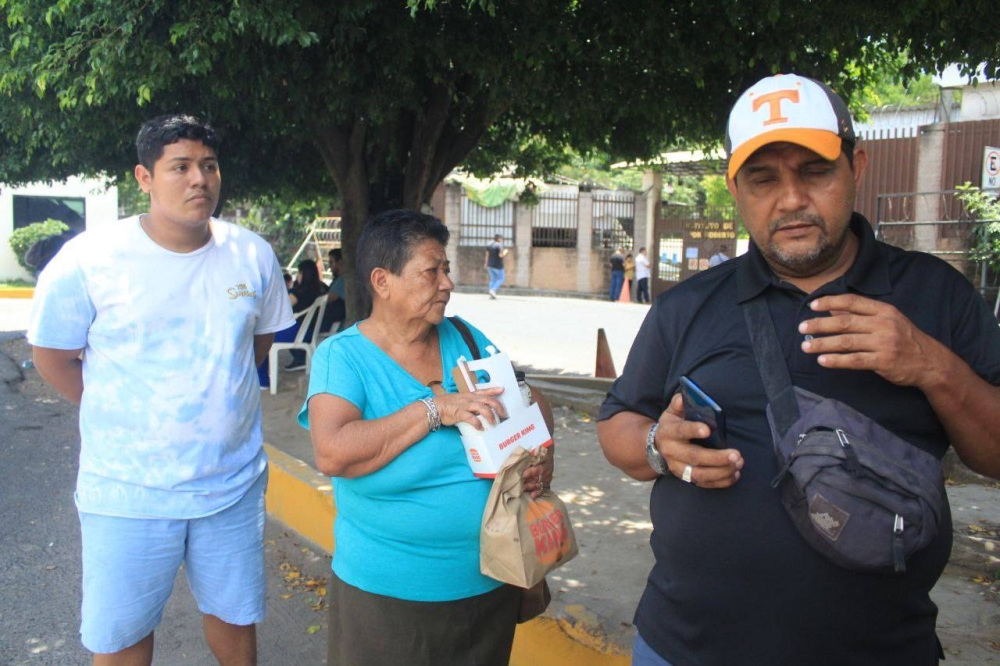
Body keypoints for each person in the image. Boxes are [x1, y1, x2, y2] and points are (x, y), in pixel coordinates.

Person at [597, 73, 1000, 665]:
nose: (790, 200)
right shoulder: (687, 306)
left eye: (814, 171)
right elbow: (618, 422)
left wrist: (930, 365)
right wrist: (657, 444)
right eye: (764, 179)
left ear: (856, 166)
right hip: (684, 648)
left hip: (881, 650)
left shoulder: (937, 296)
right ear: (736, 189)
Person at [27, 114, 294, 664]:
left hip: (232, 486)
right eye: (180, 167)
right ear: (143, 177)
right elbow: (52, 356)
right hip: (127, 491)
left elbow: (259, 341)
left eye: (209, 165)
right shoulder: (90, 259)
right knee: (123, 637)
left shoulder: (251, 254)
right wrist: (114, 407)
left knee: (235, 620)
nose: (200, 179)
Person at [298, 209, 556, 665]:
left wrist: (540, 456)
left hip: (490, 581)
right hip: (389, 596)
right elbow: (332, 452)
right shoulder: (344, 357)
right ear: (383, 281)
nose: (447, 283)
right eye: (430, 271)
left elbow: (531, 401)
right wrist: (435, 409)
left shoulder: (465, 337)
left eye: (447, 269)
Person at [319, 247, 346, 335]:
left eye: (331, 262)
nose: (330, 267)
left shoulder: (342, 281)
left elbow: (326, 299)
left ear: (340, 263)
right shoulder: (339, 280)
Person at [485, 233, 508, 299]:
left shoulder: (489, 244)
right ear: (499, 239)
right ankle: (493, 290)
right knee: (501, 278)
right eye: (501, 238)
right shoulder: (499, 245)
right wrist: (505, 252)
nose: (502, 240)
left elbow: (487, 255)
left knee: (493, 279)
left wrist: (486, 263)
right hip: (498, 265)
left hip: (490, 264)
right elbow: (501, 255)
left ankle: (491, 292)